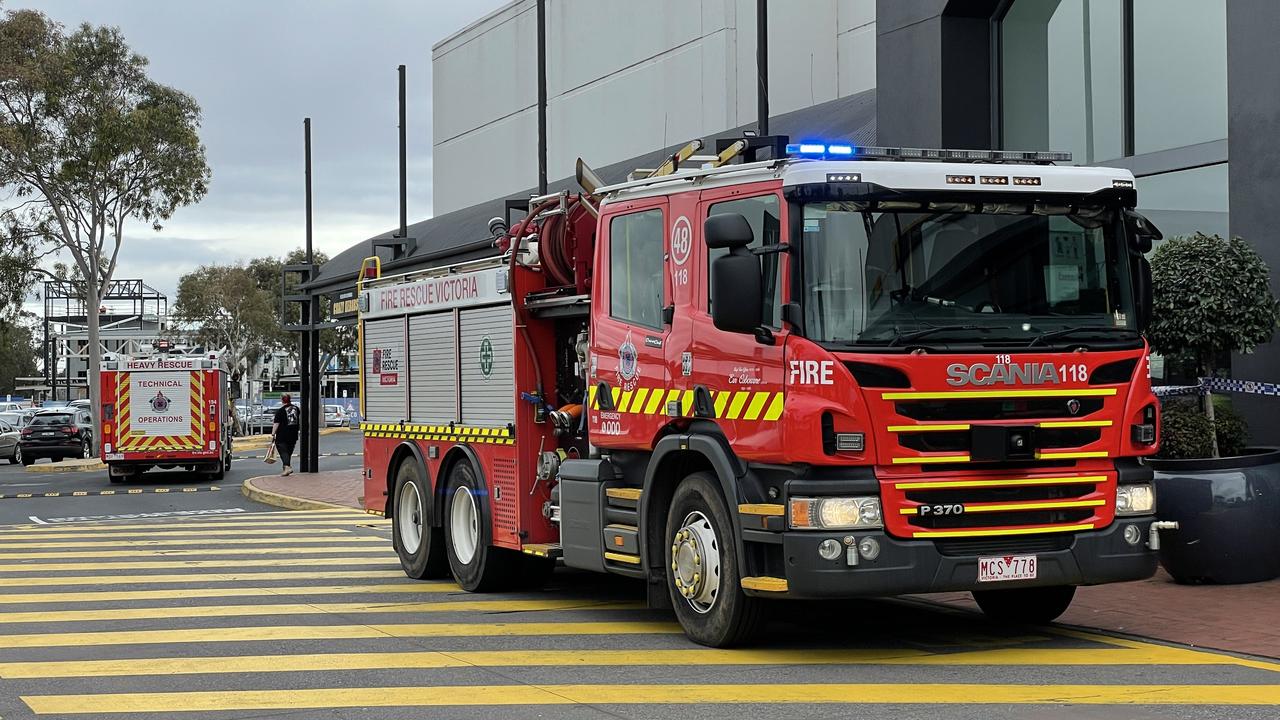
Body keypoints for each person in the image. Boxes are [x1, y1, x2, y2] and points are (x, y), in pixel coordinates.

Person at [271, 394, 302, 476]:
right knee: (289, 451)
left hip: (282, 434)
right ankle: (286, 467)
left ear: (282, 400)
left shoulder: (280, 411)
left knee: (282, 450)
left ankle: (287, 467)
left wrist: (273, 433)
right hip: (294, 434)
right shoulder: (296, 409)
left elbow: (276, 423)